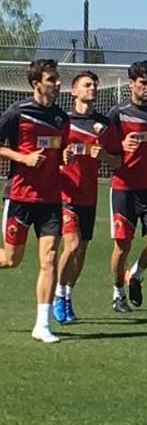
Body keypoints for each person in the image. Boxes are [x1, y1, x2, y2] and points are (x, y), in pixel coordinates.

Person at [0, 59, 69, 343]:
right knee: (11, 259)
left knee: (49, 257)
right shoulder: (18, 112)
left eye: (57, 78)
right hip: (19, 196)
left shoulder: (61, 118)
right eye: (51, 78)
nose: (57, 83)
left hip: (51, 199)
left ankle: (42, 324)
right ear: (36, 83)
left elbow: (61, 148)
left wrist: (64, 157)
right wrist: (23, 158)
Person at [54, 71, 121, 323]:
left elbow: (117, 161)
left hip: (89, 195)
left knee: (81, 250)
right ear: (74, 92)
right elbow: (51, 152)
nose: (92, 88)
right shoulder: (62, 121)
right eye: (87, 85)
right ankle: (58, 295)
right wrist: (62, 158)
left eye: (94, 85)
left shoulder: (104, 125)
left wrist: (102, 156)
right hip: (64, 192)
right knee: (71, 245)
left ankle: (68, 295)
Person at [106, 61, 147, 312]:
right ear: (131, 83)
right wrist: (122, 146)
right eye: (143, 82)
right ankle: (117, 292)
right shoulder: (117, 112)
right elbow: (108, 150)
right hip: (124, 188)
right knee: (122, 246)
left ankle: (136, 273)